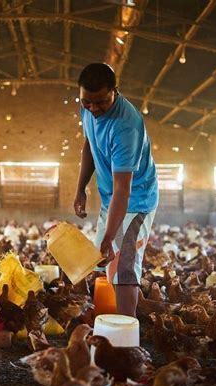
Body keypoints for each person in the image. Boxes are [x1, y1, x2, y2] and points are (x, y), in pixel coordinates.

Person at [74, 63, 159, 317]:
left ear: (115, 91)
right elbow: (89, 144)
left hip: (135, 199)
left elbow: (124, 188)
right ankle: (107, 319)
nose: (93, 109)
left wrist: (110, 237)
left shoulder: (126, 126)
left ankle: (126, 335)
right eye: (87, 102)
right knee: (102, 263)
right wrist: (81, 189)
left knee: (122, 266)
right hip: (111, 196)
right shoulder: (87, 107)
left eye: (101, 102)